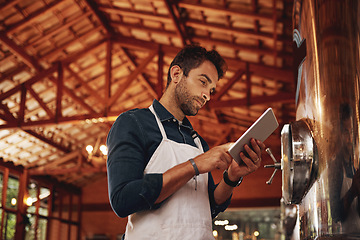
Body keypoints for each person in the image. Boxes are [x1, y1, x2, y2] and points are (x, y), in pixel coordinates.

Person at [106, 45, 266, 239]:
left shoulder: (198, 142)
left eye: (211, 89)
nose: (207, 95)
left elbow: (208, 208)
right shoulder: (133, 123)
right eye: (203, 82)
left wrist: (231, 177)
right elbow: (123, 200)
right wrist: (195, 165)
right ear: (176, 74)